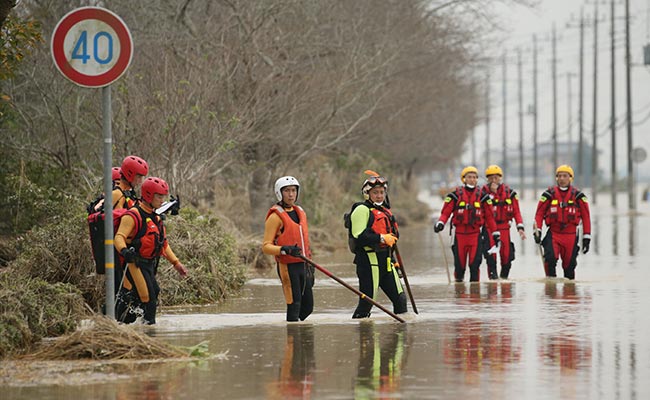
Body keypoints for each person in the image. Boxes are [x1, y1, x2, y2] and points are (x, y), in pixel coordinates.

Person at [114, 177, 188, 324]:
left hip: (148, 264)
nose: (162, 200)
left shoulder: (157, 218)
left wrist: (176, 263)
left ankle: (124, 322)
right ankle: (149, 333)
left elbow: (163, 245)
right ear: (148, 195)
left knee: (154, 292)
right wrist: (125, 251)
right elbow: (118, 237)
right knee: (149, 299)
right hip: (134, 263)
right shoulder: (133, 215)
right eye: (159, 196)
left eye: (163, 197)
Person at [349, 172, 407, 319]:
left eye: (382, 192)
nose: (379, 196)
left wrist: (394, 262)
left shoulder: (385, 211)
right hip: (368, 262)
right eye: (375, 193)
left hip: (386, 262)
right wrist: (381, 238)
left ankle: (399, 338)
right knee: (367, 303)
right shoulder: (361, 210)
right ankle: (362, 335)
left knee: (400, 300)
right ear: (367, 194)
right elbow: (359, 236)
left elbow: (392, 239)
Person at [262, 176, 314, 322]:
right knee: (294, 304)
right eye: (287, 191)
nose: (291, 194)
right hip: (288, 267)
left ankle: (302, 341)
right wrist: (284, 249)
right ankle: (292, 340)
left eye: (293, 190)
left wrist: (310, 264)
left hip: (304, 265)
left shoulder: (301, 212)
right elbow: (266, 247)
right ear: (280, 193)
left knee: (308, 307)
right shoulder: (275, 217)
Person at [434, 166, 498, 282]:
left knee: (474, 266)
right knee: (460, 267)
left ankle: (475, 295)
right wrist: (440, 223)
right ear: (464, 179)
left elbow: (490, 217)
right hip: (459, 236)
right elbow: (445, 213)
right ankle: (459, 293)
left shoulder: (483, 197)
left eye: (474, 177)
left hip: (475, 236)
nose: (472, 179)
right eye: (469, 177)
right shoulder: (455, 195)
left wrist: (495, 232)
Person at [533, 164, 591, 280]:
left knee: (569, 267)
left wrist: (586, 237)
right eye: (559, 176)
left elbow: (586, 217)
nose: (562, 178)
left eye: (565, 176)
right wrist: (537, 230)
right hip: (554, 234)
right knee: (550, 259)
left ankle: (569, 294)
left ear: (570, 178)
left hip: (571, 235)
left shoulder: (579, 196)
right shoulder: (548, 195)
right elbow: (539, 214)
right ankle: (551, 290)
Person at [480, 164, 526, 280]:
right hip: (489, 229)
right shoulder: (482, 193)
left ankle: (504, 281)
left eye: (496, 177)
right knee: (491, 257)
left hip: (505, 228)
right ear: (487, 179)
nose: (493, 180)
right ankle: (493, 282)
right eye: (491, 178)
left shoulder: (510, 194)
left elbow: (516, 212)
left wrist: (520, 227)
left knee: (507, 257)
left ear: (500, 178)